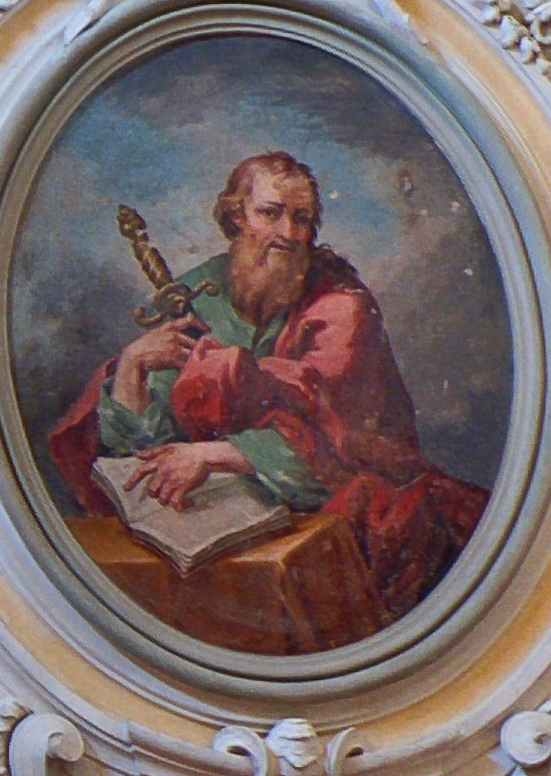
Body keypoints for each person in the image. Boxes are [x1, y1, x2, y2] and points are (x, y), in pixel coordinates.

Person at [45, 148, 488, 630]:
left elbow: (344, 449)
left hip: (327, 519)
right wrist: (133, 369)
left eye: (302, 220)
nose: (288, 235)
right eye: (270, 213)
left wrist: (215, 455)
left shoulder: (342, 306)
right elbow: (144, 450)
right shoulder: (198, 292)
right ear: (236, 216)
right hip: (214, 524)